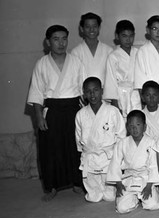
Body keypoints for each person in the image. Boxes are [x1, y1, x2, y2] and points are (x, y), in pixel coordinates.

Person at [27, 25, 85, 201]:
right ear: (48, 42)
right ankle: (51, 186)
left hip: (73, 107)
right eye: (56, 39)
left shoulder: (75, 61)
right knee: (50, 149)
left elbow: (83, 90)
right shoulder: (41, 64)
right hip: (51, 109)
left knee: (75, 147)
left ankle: (77, 182)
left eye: (64, 39)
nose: (61, 43)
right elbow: (37, 92)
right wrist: (38, 116)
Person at [75, 77, 126, 202]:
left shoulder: (112, 111)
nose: (92, 94)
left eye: (96, 90)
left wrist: (118, 158)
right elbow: (78, 139)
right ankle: (94, 190)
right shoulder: (80, 114)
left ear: (102, 91)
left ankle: (109, 188)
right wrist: (84, 153)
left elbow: (121, 135)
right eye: (88, 91)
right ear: (84, 94)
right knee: (94, 197)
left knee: (110, 197)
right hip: (90, 157)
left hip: (108, 157)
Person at [106, 110, 159, 214]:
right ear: (127, 127)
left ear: (144, 126)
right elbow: (115, 164)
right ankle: (134, 199)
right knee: (122, 208)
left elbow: (154, 166)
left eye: (138, 124)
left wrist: (149, 186)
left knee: (152, 205)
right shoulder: (122, 143)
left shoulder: (152, 142)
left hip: (146, 179)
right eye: (131, 125)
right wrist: (118, 183)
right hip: (129, 179)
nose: (134, 128)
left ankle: (153, 191)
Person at [103, 19, 140, 117]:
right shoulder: (113, 56)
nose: (128, 39)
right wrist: (115, 105)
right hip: (120, 96)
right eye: (124, 36)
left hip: (136, 95)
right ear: (117, 36)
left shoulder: (138, 53)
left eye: (131, 36)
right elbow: (111, 82)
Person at [134, 15, 159, 109]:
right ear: (148, 30)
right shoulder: (142, 52)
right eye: (155, 28)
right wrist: (145, 103)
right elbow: (140, 81)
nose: (158, 32)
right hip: (150, 100)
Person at [71, 12, 113, 84]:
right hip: (84, 93)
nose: (91, 29)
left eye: (94, 26)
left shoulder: (108, 51)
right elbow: (74, 78)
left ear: (99, 28)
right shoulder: (76, 52)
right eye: (87, 27)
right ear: (82, 29)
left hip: (105, 93)